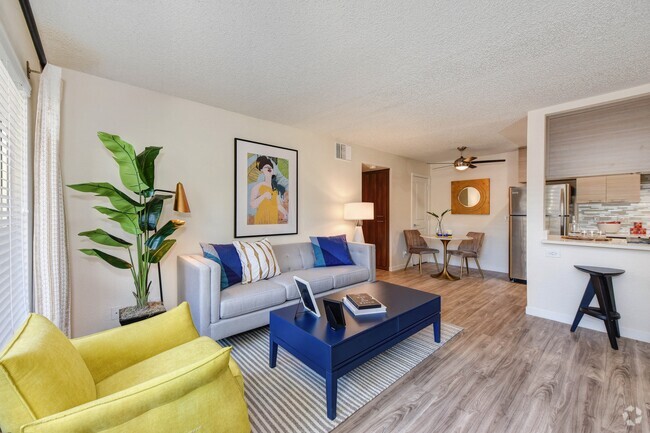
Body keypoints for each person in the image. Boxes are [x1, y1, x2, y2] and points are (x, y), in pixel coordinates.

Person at [250, 155, 288, 224]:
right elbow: (252, 204)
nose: (269, 168)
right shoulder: (258, 186)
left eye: (270, 167)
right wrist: (263, 196)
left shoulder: (274, 190)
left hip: (272, 221)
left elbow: (278, 205)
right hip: (262, 220)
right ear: (261, 170)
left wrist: (286, 214)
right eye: (266, 167)